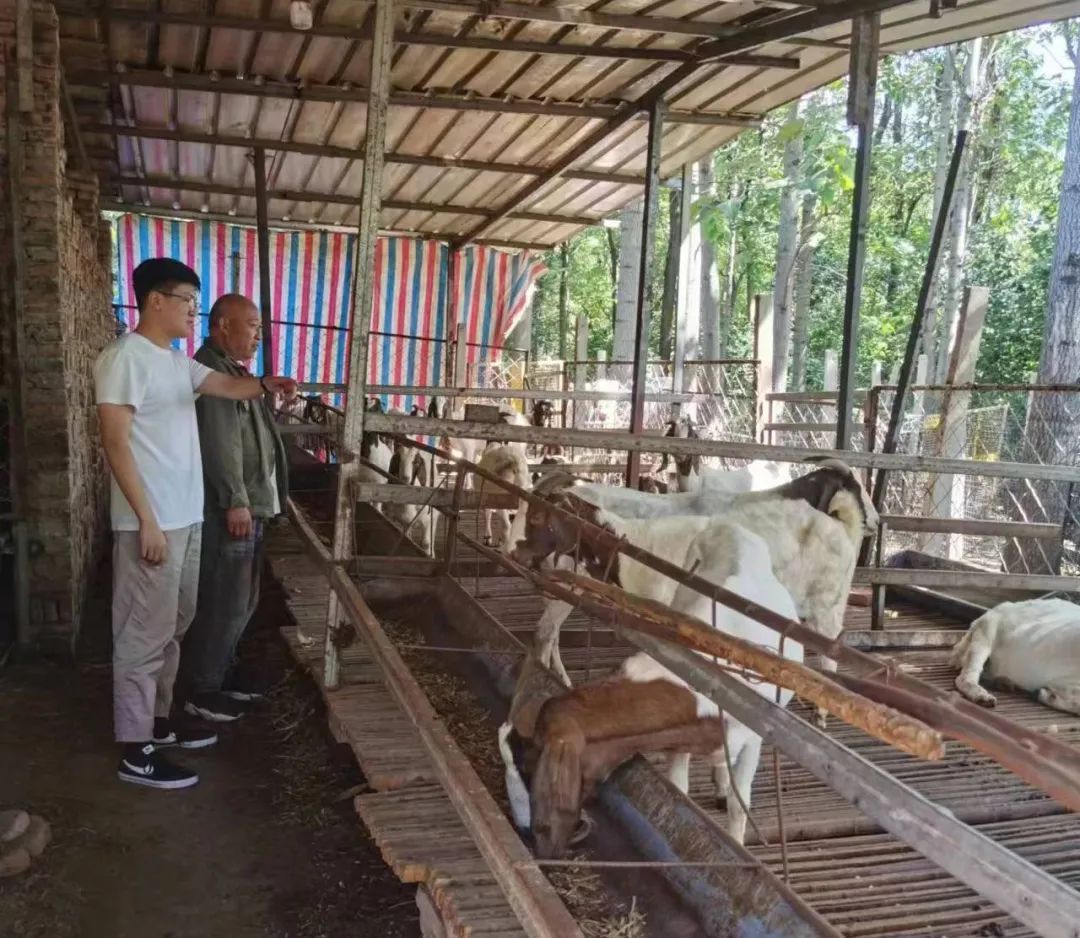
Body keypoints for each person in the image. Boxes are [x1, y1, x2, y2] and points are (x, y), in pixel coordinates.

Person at [94, 259, 296, 791]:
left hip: (184, 521)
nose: (193, 310)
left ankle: (157, 724)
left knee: (174, 624)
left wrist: (268, 381)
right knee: (141, 633)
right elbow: (115, 444)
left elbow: (229, 388)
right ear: (154, 301)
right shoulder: (123, 359)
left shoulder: (176, 362)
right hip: (152, 523)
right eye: (186, 299)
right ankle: (134, 750)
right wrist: (147, 521)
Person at [180, 294, 289, 722]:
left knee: (243, 598)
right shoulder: (212, 375)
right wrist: (236, 500)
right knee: (224, 598)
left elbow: (247, 434)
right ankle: (201, 689)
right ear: (223, 325)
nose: (258, 335)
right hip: (231, 509)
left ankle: (220, 673)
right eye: (252, 326)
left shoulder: (234, 373)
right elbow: (220, 443)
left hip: (249, 504)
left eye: (260, 327)